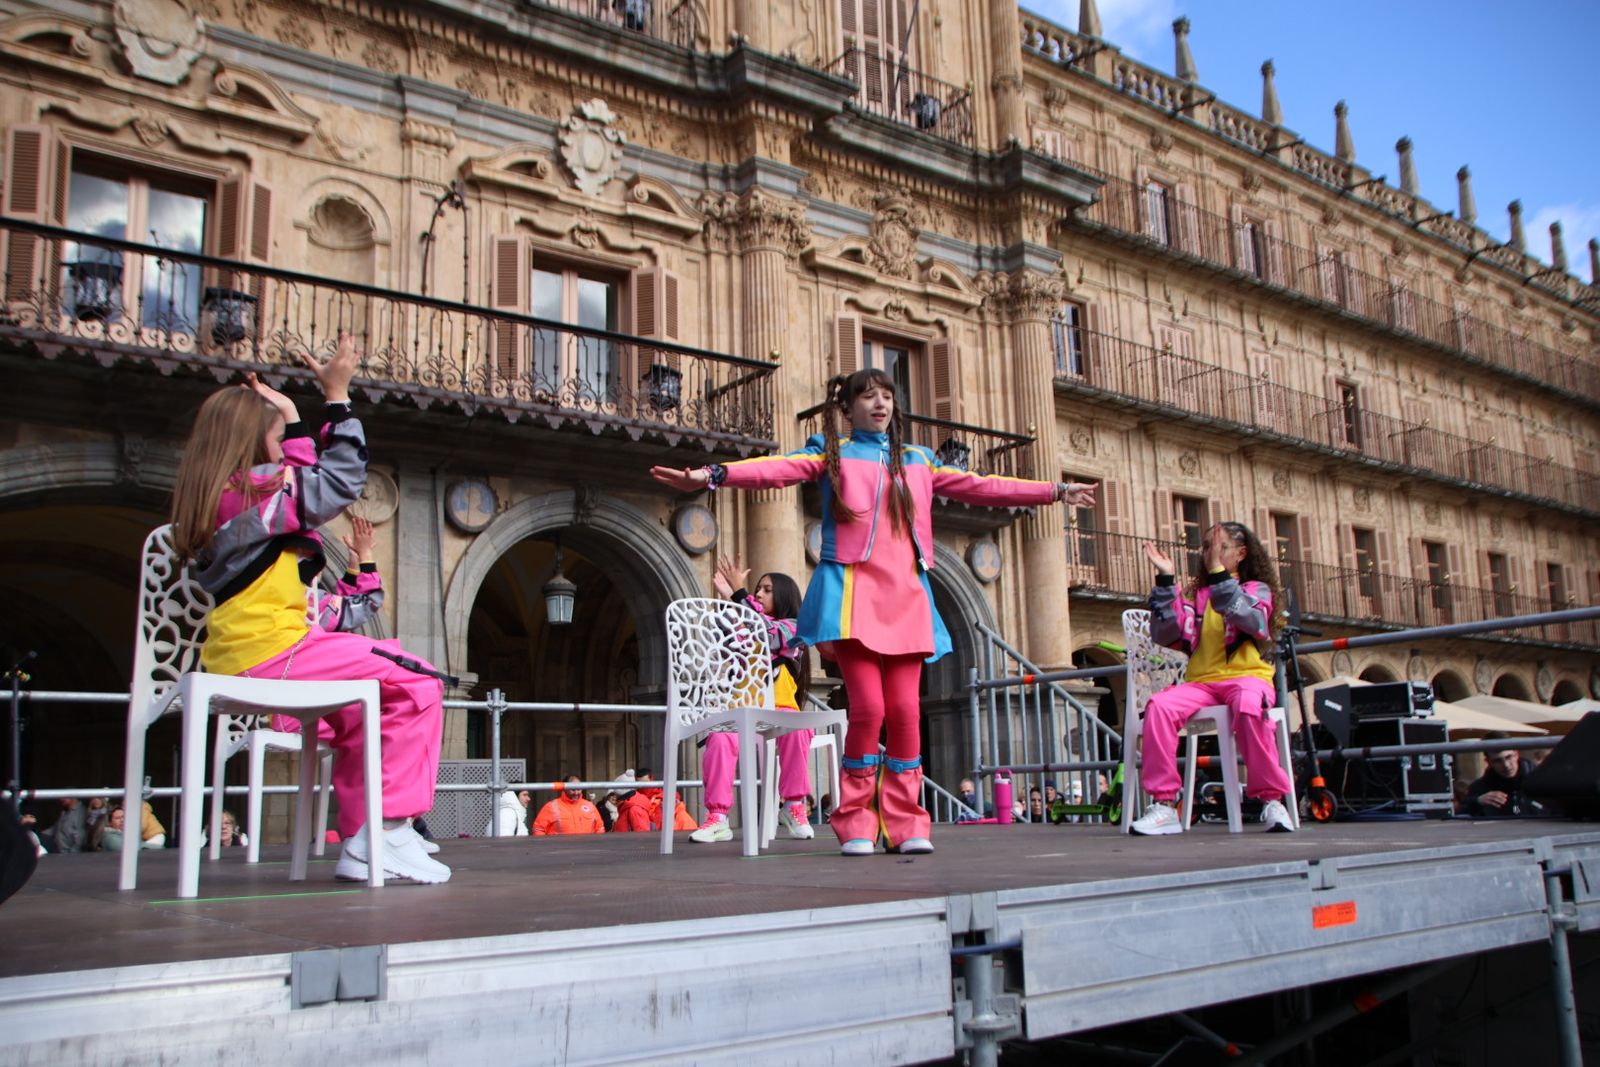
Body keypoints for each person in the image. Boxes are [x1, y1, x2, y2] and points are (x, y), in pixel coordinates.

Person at [652, 368, 1095, 856]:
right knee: (868, 709)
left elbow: (983, 486)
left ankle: (907, 823)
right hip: (851, 594)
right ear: (847, 408)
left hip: (906, 595)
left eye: (887, 396)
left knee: (906, 712)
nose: (879, 404)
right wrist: (713, 474)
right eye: (868, 396)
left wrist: (1053, 492)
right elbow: (774, 468)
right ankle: (856, 819)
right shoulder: (830, 452)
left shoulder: (918, 461)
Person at [168, 333, 449, 884]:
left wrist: (294, 414)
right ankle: (387, 831)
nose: (285, 448)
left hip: (255, 647)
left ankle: (366, 839)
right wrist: (338, 399)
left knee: (358, 710)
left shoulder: (234, 495)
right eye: (279, 438)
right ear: (252, 443)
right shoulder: (255, 491)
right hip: (275, 651)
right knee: (420, 682)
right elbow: (338, 482)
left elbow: (308, 502)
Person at [1129, 522, 1295, 835]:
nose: (1209, 553)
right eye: (1206, 547)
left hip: (1248, 677)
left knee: (1249, 706)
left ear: (1241, 554)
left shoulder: (1257, 590)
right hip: (1201, 683)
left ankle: (1272, 799)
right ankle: (1164, 805)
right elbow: (1166, 633)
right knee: (1159, 707)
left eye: (1219, 547)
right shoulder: (1199, 596)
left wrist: (1219, 574)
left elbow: (1247, 617)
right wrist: (1166, 580)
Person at [691, 556, 815, 844]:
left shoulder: (794, 626)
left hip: (781, 709)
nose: (758, 593)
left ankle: (794, 805)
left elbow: (768, 637)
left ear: (784, 594)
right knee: (720, 739)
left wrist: (739, 595)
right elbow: (726, 641)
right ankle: (718, 817)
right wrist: (732, 601)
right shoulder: (746, 617)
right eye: (757, 589)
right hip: (744, 707)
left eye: (767, 589)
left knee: (798, 728)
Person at [1463, 736, 1543, 817]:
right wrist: (1477, 802)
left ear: (1516, 754)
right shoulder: (1479, 788)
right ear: (1488, 761)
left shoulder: (1541, 781)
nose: (1506, 765)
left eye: (1508, 757)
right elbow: (1461, 814)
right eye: (1497, 761)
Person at [611, 771, 698, 833]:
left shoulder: (635, 807)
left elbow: (642, 836)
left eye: (645, 783)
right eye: (639, 784)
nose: (643, 787)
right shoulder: (634, 803)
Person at [533, 777, 605, 836]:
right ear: (564, 789)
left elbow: (600, 828)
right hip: (559, 851)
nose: (576, 793)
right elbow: (538, 829)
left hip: (586, 851)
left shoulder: (590, 806)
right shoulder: (551, 807)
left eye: (579, 789)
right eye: (573, 790)